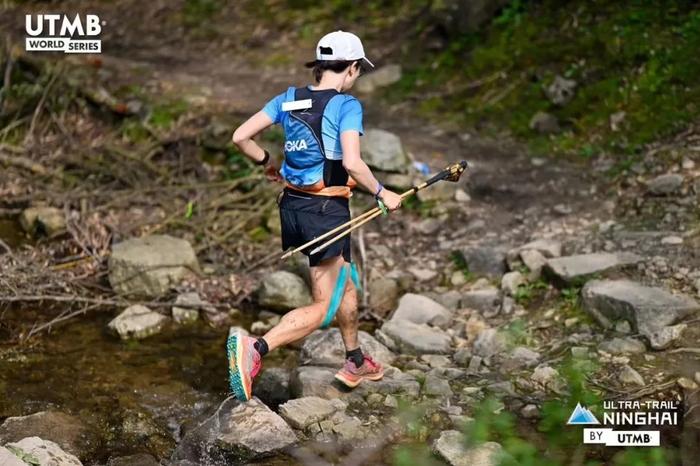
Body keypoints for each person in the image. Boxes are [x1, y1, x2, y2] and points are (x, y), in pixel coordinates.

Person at [228, 30, 402, 402]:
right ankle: (256, 348)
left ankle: (354, 360)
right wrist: (382, 192)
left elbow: (241, 136)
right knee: (324, 304)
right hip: (327, 210)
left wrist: (267, 163)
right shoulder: (347, 105)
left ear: (320, 65)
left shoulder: (288, 99)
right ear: (352, 68)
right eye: (358, 70)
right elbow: (352, 163)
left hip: (293, 206)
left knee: (346, 282)